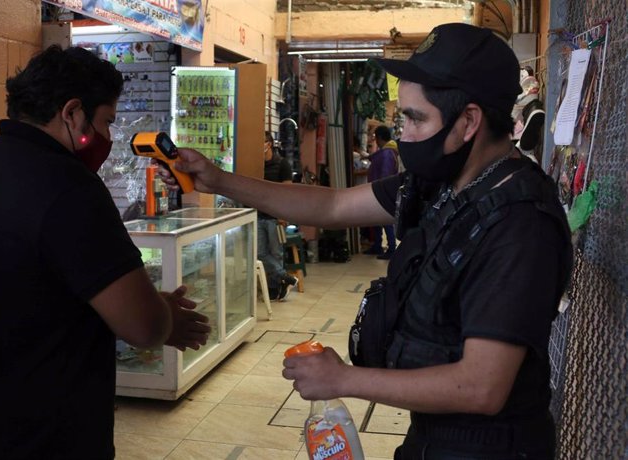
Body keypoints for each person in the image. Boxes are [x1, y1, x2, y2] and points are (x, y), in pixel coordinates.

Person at [159, 23, 572, 459]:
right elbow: (333, 206)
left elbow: (481, 386)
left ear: (468, 121)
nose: (404, 133)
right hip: (433, 438)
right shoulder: (444, 184)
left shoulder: (520, 224)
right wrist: (218, 179)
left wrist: (344, 380)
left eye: (415, 118)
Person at [0, 45, 211, 459]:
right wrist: (162, 315)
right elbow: (143, 327)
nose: (108, 137)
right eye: (106, 121)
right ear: (72, 113)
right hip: (49, 432)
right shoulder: (70, 188)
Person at [259, 131, 298, 301]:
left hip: (275, 216)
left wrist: (283, 215)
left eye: (263, 142)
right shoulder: (256, 165)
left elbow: (287, 193)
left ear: (269, 143)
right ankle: (285, 277)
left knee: (276, 253)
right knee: (259, 253)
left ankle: (276, 287)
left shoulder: (282, 164)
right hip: (258, 214)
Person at [363, 125, 399, 259]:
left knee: (385, 221)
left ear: (378, 138)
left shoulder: (387, 153)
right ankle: (378, 245)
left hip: (381, 191)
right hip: (379, 191)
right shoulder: (388, 152)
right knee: (377, 220)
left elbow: (385, 174)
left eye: (375, 137)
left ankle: (391, 249)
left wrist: (381, 191)